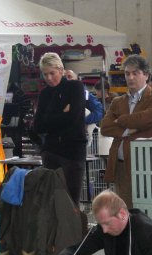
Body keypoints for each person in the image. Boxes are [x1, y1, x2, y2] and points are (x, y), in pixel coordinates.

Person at [100, 55, 152, 208]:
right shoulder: (118, 101)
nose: (130, 77)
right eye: (127, 73)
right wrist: (128, 131)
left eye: (135, 73)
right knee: (125, 212)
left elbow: (148, 118)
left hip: (147, 165)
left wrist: (121, 120)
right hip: (121, 167)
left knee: (147, 211)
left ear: (146, 75)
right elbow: (105, 127)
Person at [33, 52, 87, 206]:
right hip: (51, 151)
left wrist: (49, 118)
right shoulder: (44, 94)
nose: (49, 78)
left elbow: (73, 118)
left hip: (72, 152)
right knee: (52, 200)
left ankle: (73, 230)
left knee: (71, 201)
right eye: (45, 74)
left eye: (52, 73)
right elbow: (37, 126)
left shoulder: (75, 87)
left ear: (61, 70)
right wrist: (61, 114)